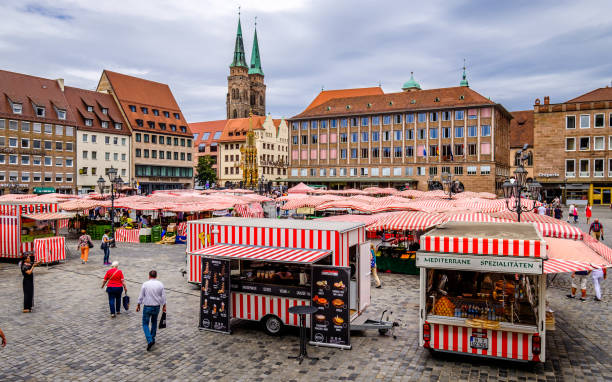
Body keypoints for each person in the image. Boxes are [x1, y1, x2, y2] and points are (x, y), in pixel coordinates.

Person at [136, 270, 167, 351]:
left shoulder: (145, 284)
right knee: (154, 322)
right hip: (156, 307)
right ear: (156, 276)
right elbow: (163, 296)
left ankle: (149, 340)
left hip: (147, 306)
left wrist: (138, 304)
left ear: (149, 276)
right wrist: (164, 306)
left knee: (145, 324)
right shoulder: (160, 284)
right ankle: (152, 337)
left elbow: (141, 295)